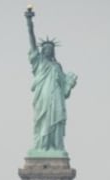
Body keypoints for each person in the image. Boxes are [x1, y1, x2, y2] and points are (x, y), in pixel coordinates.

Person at [24, 6, 77, 152]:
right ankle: (42, 146)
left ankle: (55, 146)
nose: (48, 50)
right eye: (45, 48)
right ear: (42, 51)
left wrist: (70, 83)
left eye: (50, 48)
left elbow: (65, 90)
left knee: (57, 120)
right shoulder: (39, 61)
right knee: (43, 121)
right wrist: (29, 21)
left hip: (57, 96)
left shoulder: (57, 66)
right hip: (43, 97)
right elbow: (32, 40)